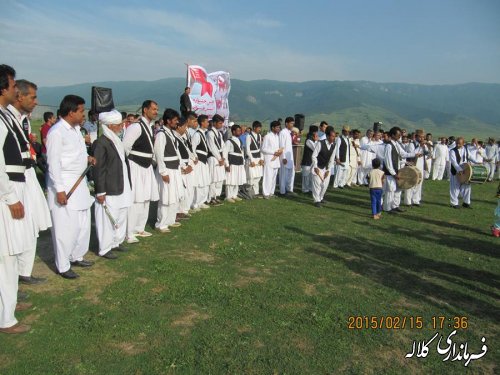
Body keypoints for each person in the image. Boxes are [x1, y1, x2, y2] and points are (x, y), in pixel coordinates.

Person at [0, 64, 36, 334]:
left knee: (10, 254)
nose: (16, 89)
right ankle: (5, 317)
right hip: (6, 193)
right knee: (6, 255)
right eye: (13, 85)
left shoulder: (5, 116)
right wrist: (11, 197)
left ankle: (8, 304)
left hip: (14, 187)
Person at [6, 79, 52, 284]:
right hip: (15, 181)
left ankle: (23, 272)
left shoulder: (18, 118)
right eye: (32, 97)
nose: (36, 101)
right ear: (19, 96)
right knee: (17, 231)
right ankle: (15, 276)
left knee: (31, 226)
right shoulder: (6, 118)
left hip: (27, 176)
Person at [46, 95, 95, 279]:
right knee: (65, 227)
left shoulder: (76, 130)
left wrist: (87, 159)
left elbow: (75, 154)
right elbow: (54, 164)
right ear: (71, 111)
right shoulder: (56, 132)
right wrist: (59, 190)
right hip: (65, 183)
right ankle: (63, 265)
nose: (84, 114)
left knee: (82, 224)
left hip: (80, 181)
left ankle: (77, 255)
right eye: (81, 111)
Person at [92, 110, 132, 260]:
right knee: (108, 218)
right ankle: (105, 248)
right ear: (110, 126)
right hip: (109, 187)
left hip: (121, 184)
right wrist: (100, 191)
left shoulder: (116, 140)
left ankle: (116, 242)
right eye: (119, 124)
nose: (122, 126)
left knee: (121, 215)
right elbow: (99, 168)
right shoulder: (101, 142)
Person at [122, 100, 159, 243]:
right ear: (145, 110)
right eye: (154, 109)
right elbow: (125, 147)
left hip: (146, 166)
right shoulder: (136, 127)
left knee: (145, 198)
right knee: (135, 199)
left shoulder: (149, 127)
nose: (156, 112)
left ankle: (139, 228)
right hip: (136, 166)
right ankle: (129, 232)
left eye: (157, 109)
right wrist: (131, 164)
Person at [153, 109, 184, 233]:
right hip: (167, 169)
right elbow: (158, 154)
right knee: (165, 197)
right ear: (168, 121)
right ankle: (161, 223)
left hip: (175, 168)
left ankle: (170, 220)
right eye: (175, 120)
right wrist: (163, 172)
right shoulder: (161, 134)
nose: (176, 122)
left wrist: (180, 165)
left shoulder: (171, 133)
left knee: (174, 195)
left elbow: (176, 152)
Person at [383, 126, 418, 213]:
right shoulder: (389, 146)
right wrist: (393, 173)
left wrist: (415, 154)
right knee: (390, 190)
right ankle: (387, 208)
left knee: (398, 189)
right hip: (391, 173)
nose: (400, 136)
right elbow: (388, 161)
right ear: (393, 135)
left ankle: (395, 206)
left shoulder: (396, 144)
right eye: (398, 135)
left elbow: (404, 154)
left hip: (398, 171)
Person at [449, 136, 479, 209]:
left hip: (465, 170)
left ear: (463, 143)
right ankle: (454, 203)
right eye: (457, 143)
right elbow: (454, 162)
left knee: (467, 187)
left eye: (459, 144)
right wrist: (459, 170)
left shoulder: (466, 149)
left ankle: (466, 203)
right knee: (455, 187)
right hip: (456, 171)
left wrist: (477, 162)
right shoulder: (452, 151)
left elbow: (470, 157)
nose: (457, 145)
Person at [311, 126, 336, 207]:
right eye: (332, 136)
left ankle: (321, 198)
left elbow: (332, 159)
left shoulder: (333, 145)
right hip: (317, 166)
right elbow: (314, 156)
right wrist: (315, 166)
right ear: (328, 136)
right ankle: (316, 200)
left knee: (324, 185)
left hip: (325, 168)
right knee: (317, 184)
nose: (333, 138)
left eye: (334, 136)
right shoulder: (320, 143)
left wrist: (328, 170)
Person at [223, 124, 246, 202]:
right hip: (232, 161)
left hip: (239, 162)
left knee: (237, 179)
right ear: (233, 131)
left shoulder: (239, 140)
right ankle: (228, 196)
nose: (240, 132)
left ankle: (234, 195)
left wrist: (243, 161)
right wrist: (226, 164)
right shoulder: (229, 141)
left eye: (240, 130)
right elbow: (225, 153)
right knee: (230, 180)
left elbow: (241, 152)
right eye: (238, 130)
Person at [206, 114, 226, 205]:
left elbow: (223, 146)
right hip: (213, 158)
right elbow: (212, 147)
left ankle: (216, 195)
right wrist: (219, 158)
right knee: (213, 178)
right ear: (214, 123)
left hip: (220, 158)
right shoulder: (210, 133)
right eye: (220, 123)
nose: (221, 125)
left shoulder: (219, 134)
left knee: (219, 178)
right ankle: (211, 198)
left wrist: (223, 158)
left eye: (222, 123)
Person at [403, 134, 426, 207]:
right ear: (416, 137)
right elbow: (411, 154)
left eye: (423, 137)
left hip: (420, 165)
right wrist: (419, 148)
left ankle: (416, 200)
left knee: (419, 182)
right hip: (412, 165)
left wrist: (424, 147)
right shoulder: (411, 144)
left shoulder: (423, 145)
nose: (422, 138)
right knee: (411, 182)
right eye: (420, 137)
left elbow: (427, 153)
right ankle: (408, 201)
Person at [261, 121, 283, 198]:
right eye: (277, 127)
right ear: (272, 127)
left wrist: (279, 152)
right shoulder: (267, 136)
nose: (278, 128)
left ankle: (271, 192)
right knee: (268, 176)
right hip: (269, 159)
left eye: (279, 127)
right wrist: (274, 152)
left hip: (276, 159)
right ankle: (266, 193)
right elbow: (263, 149)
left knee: (274, 177)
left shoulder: (277, 136)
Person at [245, 121, 264, 196]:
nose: (260, 129)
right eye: (258, 128)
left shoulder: (259, 136)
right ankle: (248, 190)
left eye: (260, 128)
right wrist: (251, 160)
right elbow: (247, 149)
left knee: (258, 176)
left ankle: (256, 192)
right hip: (251, 158)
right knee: (251, 175)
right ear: (254, 128)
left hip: (258, 157)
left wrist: (262, 158)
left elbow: (261, 148)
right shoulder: (248, 136)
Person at [279, 117, 295, 195]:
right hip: (284, 157)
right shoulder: (282, 132)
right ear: (286, 123)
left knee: (290, 174)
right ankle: (282, 191)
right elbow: (281, 146)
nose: (292, 125)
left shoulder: (289, 132)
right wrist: (283, 157)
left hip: (290, 157)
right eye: (291, 123)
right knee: (283, 175)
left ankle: (289, 189)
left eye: (293, 123)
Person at [301, 126, 318, 193]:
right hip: (307, 161)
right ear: (313, 132)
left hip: (311, 161)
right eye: (316, 132)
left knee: (311, 175)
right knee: (306, 175)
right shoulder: (308, 140)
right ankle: (305, 189)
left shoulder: (313, 140)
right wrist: (316, 141)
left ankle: (310, 189)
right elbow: (315, 149)